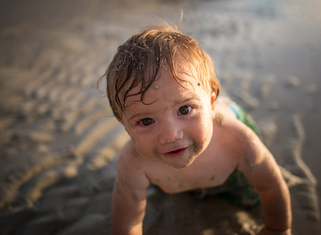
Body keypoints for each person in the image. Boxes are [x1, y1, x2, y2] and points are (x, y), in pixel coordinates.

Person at [101, 24, 292, 235]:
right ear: (125, 126)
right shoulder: (133, 162)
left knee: (249, 198)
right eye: (146, 121)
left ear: (211, 104)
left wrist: (277, 228)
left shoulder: (236, 140)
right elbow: (128, 224)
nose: (171, 135)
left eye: (184, 109)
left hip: (226, 123)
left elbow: (270, 186)